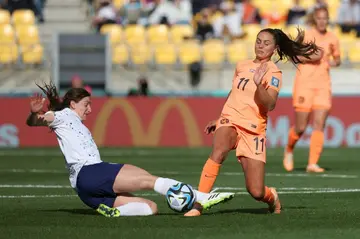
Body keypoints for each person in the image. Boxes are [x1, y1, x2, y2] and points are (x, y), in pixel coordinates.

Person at [26, 82, 235, 217]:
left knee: (149, 208)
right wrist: (35, 114)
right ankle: (201, 197)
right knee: (147, 180)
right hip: (89, 172)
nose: (90, 109)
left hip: (86, 192)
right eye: (86, 104)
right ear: (72, 104)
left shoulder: (73, 121)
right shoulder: (64, 116)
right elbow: (37, 121)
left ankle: (112, 212)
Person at [184, 27, 323, 217]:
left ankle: (272, 197)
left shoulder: (274, 73)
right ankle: (198, 205)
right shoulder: (242, 65)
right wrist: (219, 118)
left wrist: (259, 85)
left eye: (266, 43)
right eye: (258, 41)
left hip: (253, 129)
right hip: (231, 118)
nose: (261, 46)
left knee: (255, 191)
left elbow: (270, 104)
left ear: (274, 48)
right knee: (218, 151)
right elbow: (234, 92)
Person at [283, 6, 341, 173]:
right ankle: (289, 148)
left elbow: (337, 59)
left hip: (323, 85)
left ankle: (312, 164)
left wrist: (332, 62)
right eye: (319, 18)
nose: (322, 21)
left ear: (328, 20)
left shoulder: (332, 38)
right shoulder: (307, 35)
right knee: (301, 127)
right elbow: (292, 55)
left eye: (325, 18)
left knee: (319, 124)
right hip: (304, 84)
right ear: (314, 19)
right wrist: (311, 57)